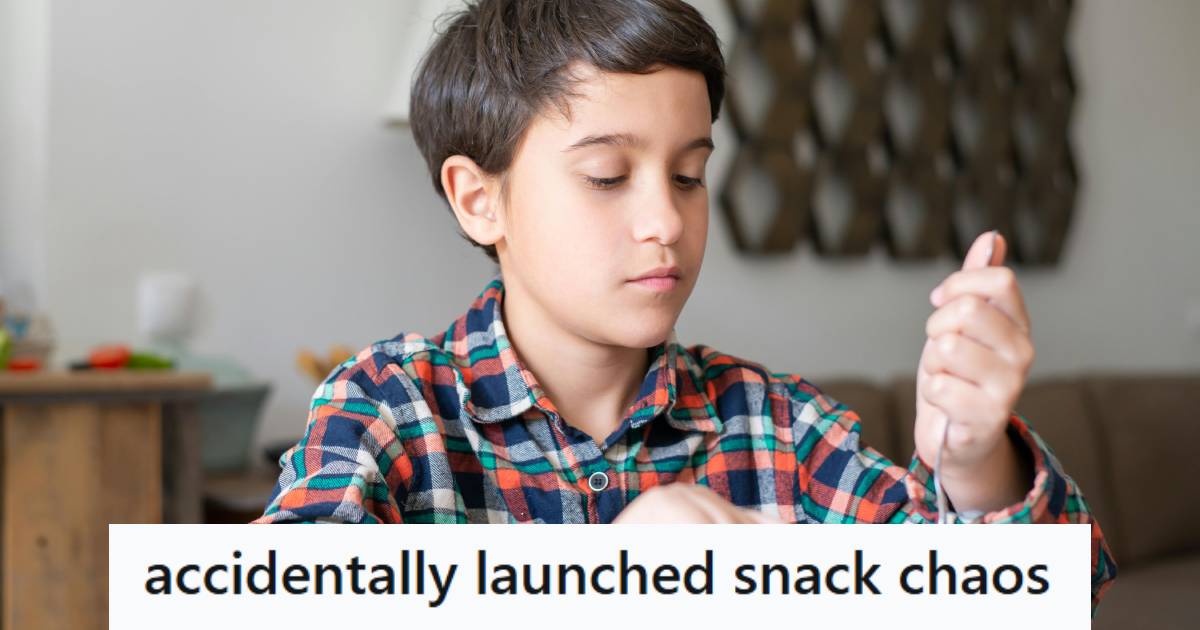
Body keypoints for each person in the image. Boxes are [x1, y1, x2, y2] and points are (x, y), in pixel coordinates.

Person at [256, 0, 1115, 613]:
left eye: (689, 175)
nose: (666, 220)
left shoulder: (771, 424)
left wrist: (971, 465)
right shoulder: (387, 408)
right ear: (479, 200)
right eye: (606, 177)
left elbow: (1049, 595)